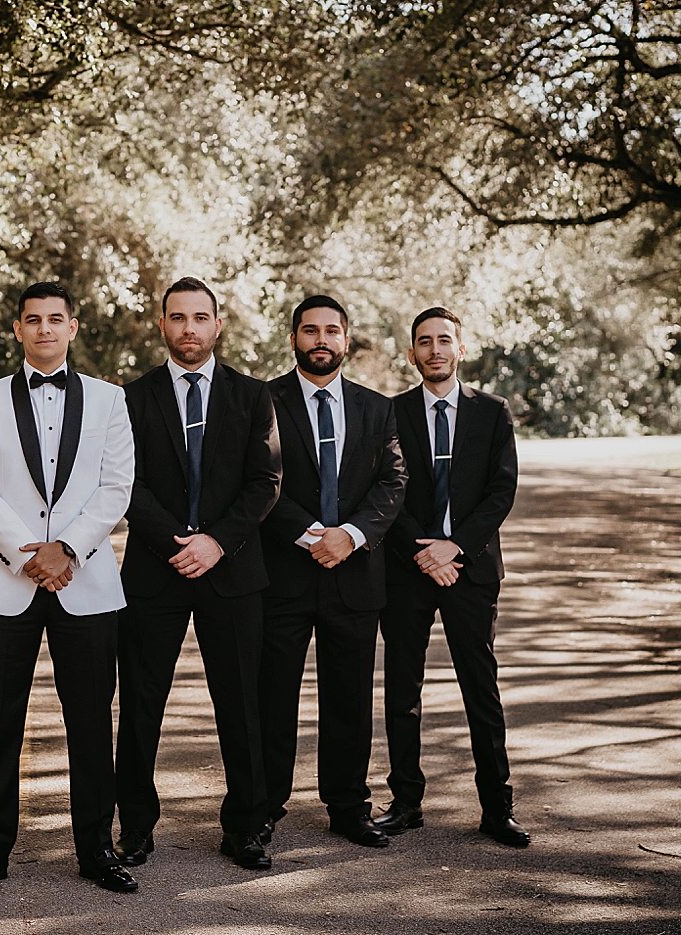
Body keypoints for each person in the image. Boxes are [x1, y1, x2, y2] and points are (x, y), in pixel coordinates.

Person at [0, 281, 137, 894]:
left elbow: (116, 486)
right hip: (7, 583)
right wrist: (29, 556)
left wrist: (68, 549)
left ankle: (96, 849)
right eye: (33, 319)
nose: (45, 329)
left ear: (73, 328)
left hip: (87, 582)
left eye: (56, 319)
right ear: (18, 329)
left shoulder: (109, 401)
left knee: (90, 721)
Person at [113, 277, 282, 871]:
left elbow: (266, 482)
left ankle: (247, 826)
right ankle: (134, 825)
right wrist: (172, 543)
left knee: (241, 704)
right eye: (177, 318)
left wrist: (216, 542)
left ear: (217, 325)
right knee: (140, 702)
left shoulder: (253, 395)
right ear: (162, 325)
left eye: (200, 317)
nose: (189, 328)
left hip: (232, 572)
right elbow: (125, 484)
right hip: (154, 572)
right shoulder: (131, 398)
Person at [372, 307, 529, 847]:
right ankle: (406, 802)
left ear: (461, 348)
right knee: (402, 689)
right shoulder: (390, 414)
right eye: (424, 341)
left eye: (444, 340)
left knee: (479, 687)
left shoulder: (493, 412)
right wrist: (423, 551)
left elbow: (500, 492)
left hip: (472, 568)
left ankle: (497, 806)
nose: (434, 349)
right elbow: (387, 491)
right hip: (407, 570)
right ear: (412, 352)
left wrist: (454, 547)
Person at [258, 295, 407, 848]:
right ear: (294, 337)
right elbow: (259, 480)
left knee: (349, 698)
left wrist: (351, 535)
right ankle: (264, 805)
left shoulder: (376, 408)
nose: (321, 340)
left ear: (347, 339)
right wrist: (311, 534)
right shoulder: (264, 401)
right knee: (273, 697)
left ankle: (348, 806)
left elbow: (392, 484)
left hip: (355, 574)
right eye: (310, 330)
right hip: (284, 573)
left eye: (331, 331)